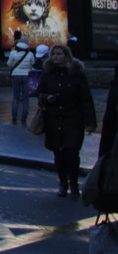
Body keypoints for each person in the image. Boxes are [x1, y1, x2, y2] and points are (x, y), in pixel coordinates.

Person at [38, 44, 96, 198]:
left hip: (73, 119)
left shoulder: (77, 75)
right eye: (54, 54)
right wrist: (46, 98)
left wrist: (90, 123)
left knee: (71, 152)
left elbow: (86, 99)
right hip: (53, 119)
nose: (56, 57)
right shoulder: (48, 74)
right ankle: (63, 183)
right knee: (58, 154)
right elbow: (39, 93)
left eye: (59, 54)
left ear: (67, 56)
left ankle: (74, 184)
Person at [6, 34, 35, 125]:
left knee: (16, 97)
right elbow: (32, 64)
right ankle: (24, 117)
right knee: (26, 98)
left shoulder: (13, 52)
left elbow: (9, 64)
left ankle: (14, 116)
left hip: (15, 75)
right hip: (27, 76)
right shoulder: (30, 53)